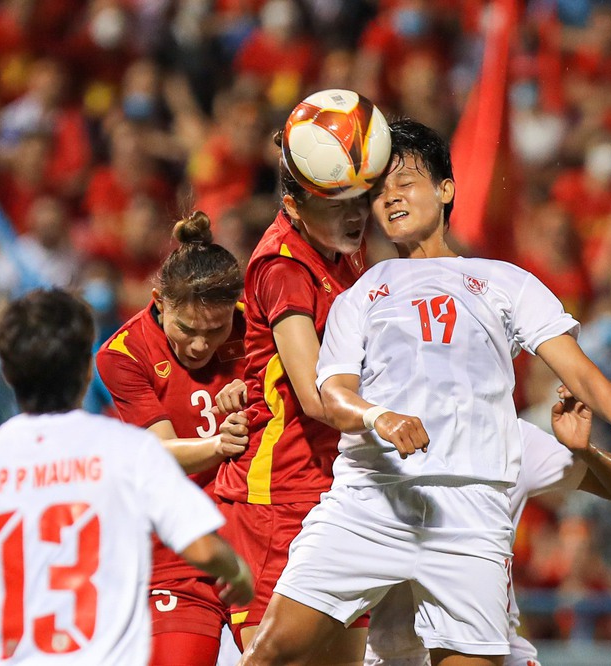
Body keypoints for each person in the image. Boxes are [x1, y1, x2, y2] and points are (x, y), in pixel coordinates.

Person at [238, 119, 611, 666]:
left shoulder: (505, 280)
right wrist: (379, 417)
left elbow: (581, 372)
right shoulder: (360, 293)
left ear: (447, 189)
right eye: (379, 190)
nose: (391, 197)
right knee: (265, 656)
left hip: (471, 514)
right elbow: (332, 394)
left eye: (405, 182)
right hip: (371, 498)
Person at [0, 288, 253, 664]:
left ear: (5, 371)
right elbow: (201, 547)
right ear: (88, 370)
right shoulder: (128, 452)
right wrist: (235, 571)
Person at [213, 124, 371, 659]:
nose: (355, 214)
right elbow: (314, 396)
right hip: (279, 495)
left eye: (360, 199)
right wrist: (391, 418)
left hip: (337, 490)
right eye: (337, 203)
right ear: (293, 205)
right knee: (270, 658)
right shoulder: (285, 264)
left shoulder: (343, 251)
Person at [364, 387, 611, 666]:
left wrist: (587, 451)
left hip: (493, 642)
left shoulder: (514, 437)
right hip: (390, 648)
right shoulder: (381, 429)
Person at [95, 211, 249, 665]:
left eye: (215, 329)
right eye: (187, 329)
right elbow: (156, 452)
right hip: (179, 550)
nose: (201, 345)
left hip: (261, 535)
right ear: (160, 301)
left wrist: (258, 387)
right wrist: (220, 444)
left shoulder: (259, 327)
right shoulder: (121, 354)